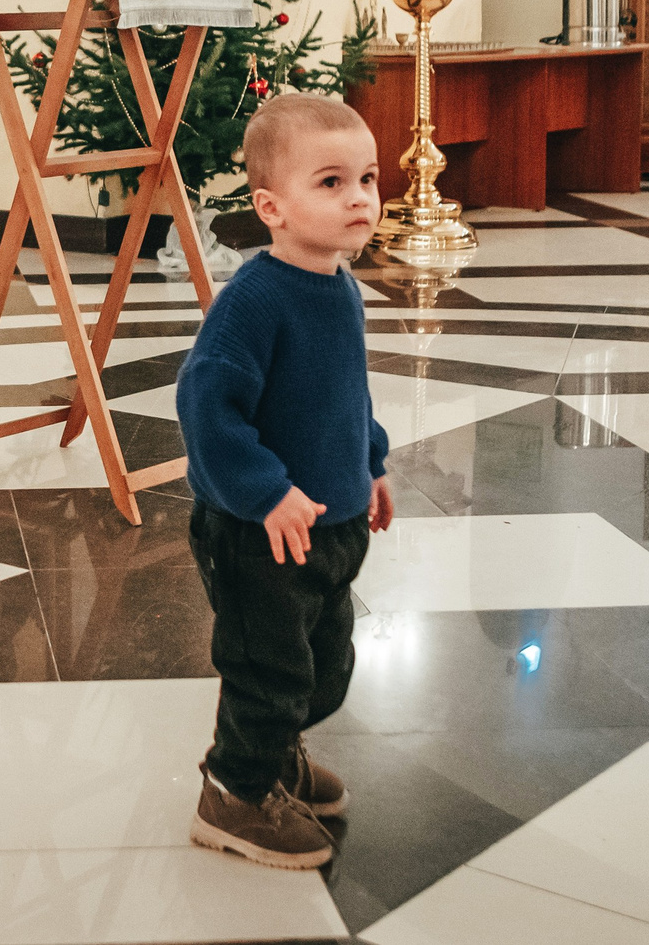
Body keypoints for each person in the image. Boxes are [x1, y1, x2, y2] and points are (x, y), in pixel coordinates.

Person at [176, 92, 394, 869]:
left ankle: (277, 754)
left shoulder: (340, 288)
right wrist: (265, 489)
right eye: (330, 182)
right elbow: (206, 407)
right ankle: (234, 792)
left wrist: (371, 465)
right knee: (268, 668)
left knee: (322, 660)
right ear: (271, 207)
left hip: (330, 523)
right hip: (257, 530)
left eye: (367, 178)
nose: (359, 197)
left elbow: (346, 394)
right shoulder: (253, 303)